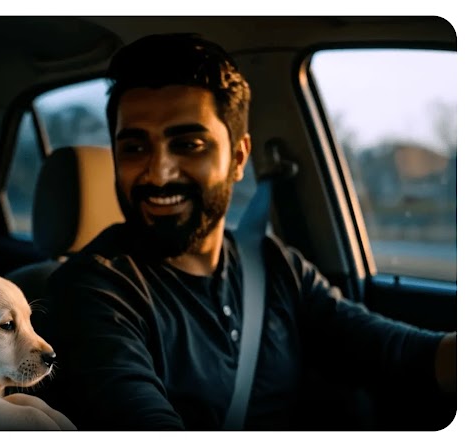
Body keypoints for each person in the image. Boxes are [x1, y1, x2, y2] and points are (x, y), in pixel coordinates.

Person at [44, 33, 457, 430]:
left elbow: (401, 353)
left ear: (239, 158)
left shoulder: (273, 264)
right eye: (134, 148)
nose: (158, 173)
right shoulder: (91, 292)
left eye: (188, 144)